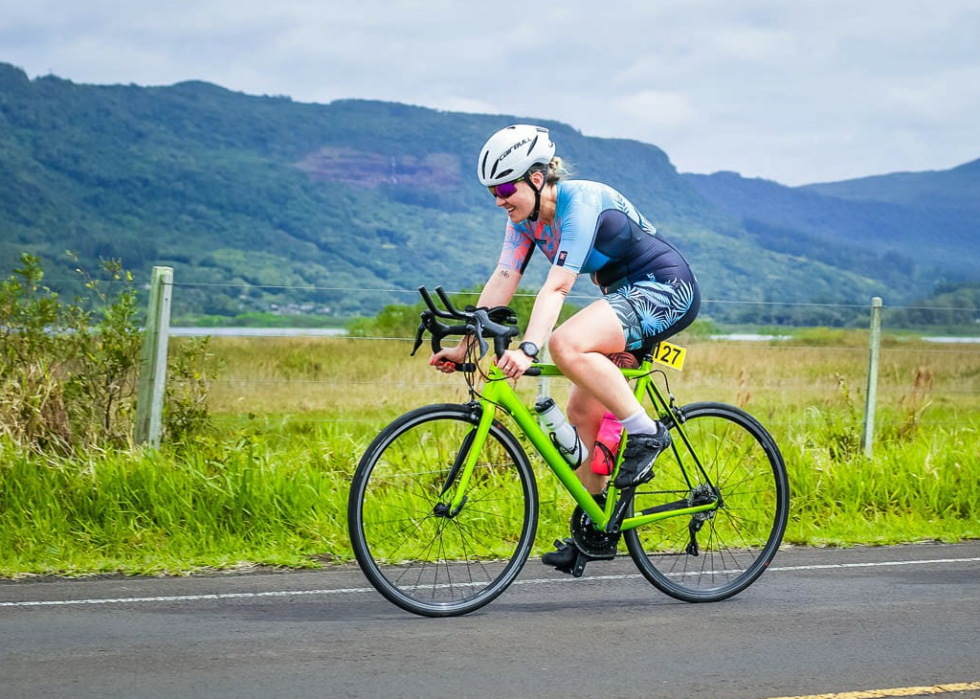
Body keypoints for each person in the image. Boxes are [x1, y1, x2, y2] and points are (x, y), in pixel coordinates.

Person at [430, 124, 700, 572]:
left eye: (503, 188)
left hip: (665, 288)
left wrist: (530, 349)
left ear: (536, 179)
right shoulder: (523, 220)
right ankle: (598, 528)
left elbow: (557, 288)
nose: (498, 200)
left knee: (565, 344)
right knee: (581, 412)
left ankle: (646, 432)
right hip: (622, 296)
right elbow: (503, 279)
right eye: (491, 192)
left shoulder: (581, 203)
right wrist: (464, 348)